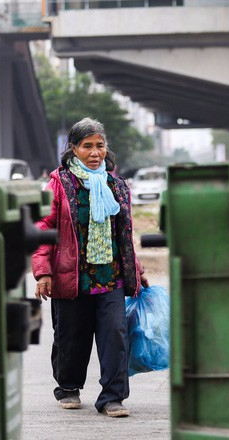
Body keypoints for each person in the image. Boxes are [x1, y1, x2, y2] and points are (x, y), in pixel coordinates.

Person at [32, 117, 148, 417]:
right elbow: (43, 226)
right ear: (73, 149)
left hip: (110, 276)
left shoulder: (116, 185)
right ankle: (69, 386)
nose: (95, 152)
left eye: (100, 146)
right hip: (72, 274)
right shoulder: (58, 184)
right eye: (87, 146)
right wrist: (43, 270)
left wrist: (137, 268)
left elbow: (122, 233)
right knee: (71, 336)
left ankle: (112, 397)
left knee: (115, 335)